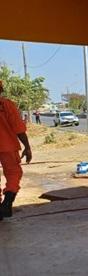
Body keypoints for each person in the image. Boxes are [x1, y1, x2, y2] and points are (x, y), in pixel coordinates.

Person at [0, 80, 32, 220]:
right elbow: (18, 128)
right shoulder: (6, 105)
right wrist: (27, 146)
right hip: (8, 146)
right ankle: (7, 202)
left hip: (8, 146)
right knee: (13, 173)